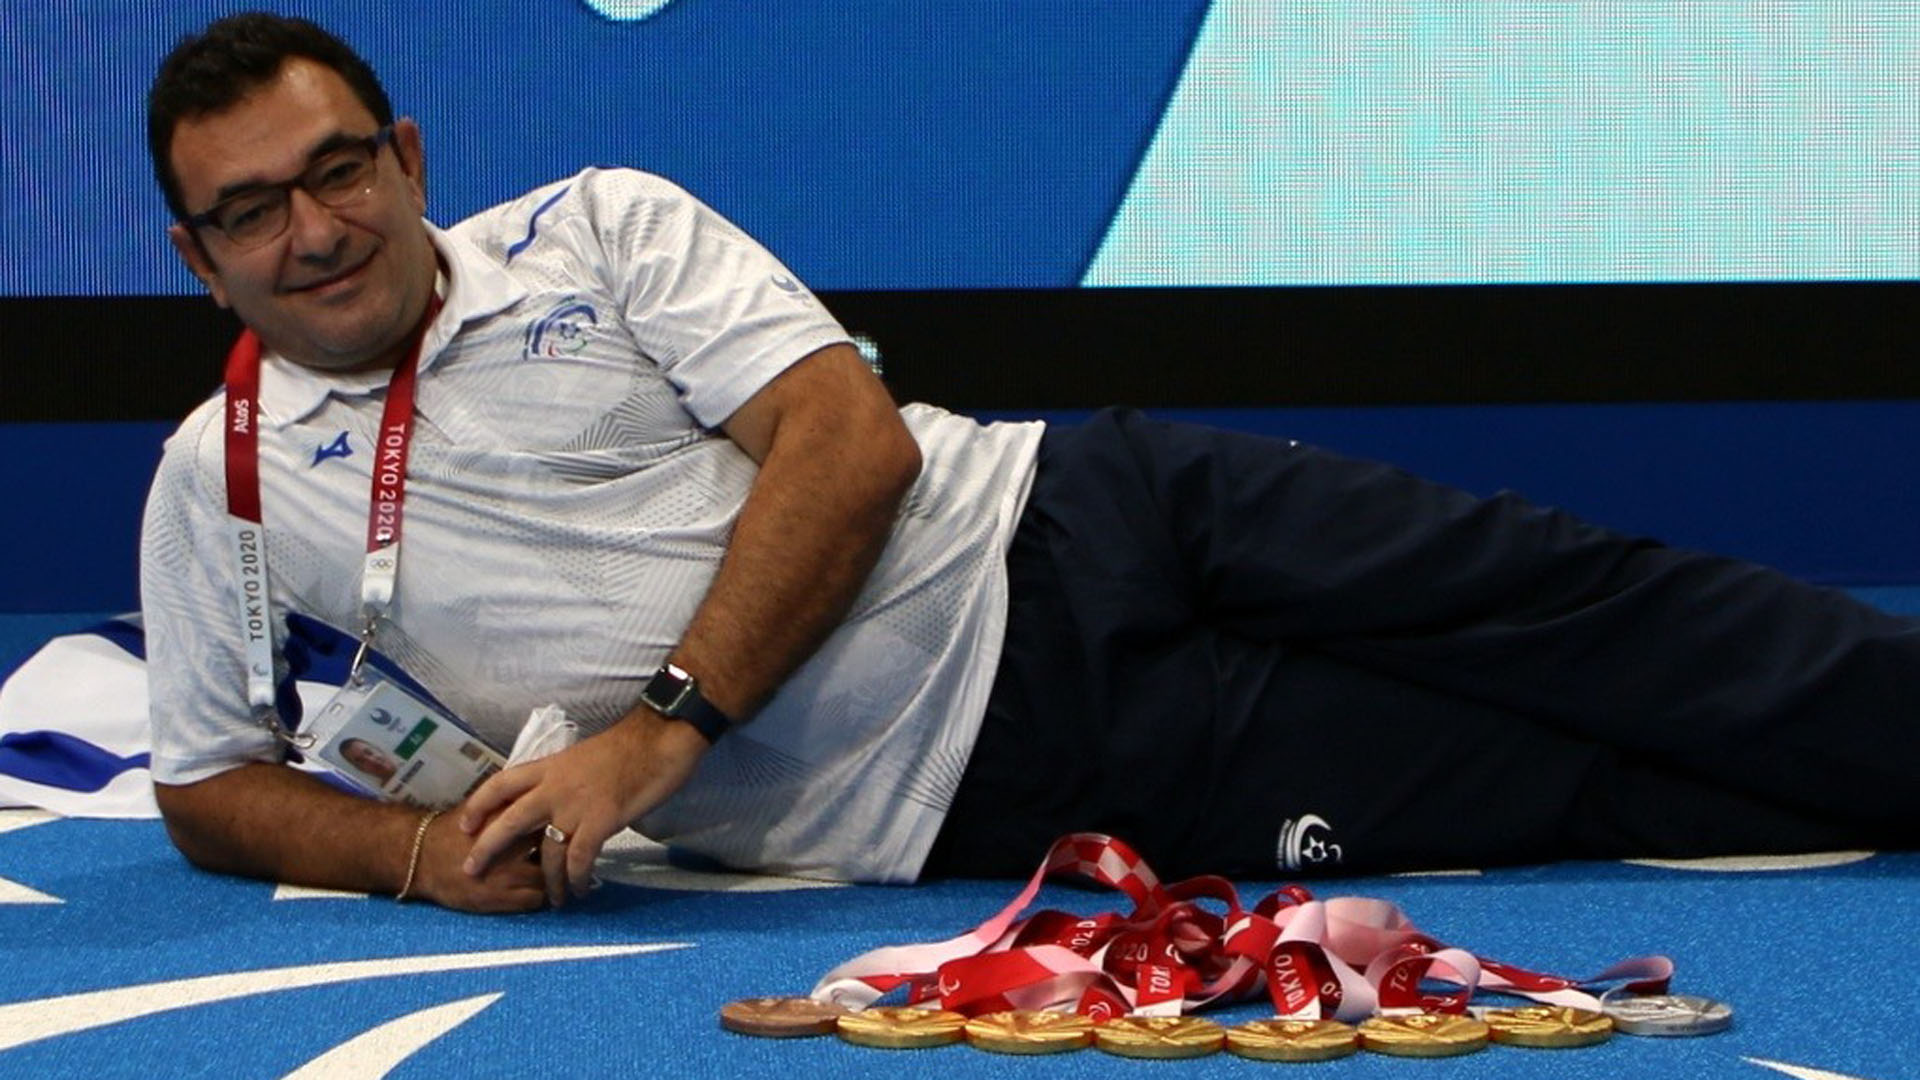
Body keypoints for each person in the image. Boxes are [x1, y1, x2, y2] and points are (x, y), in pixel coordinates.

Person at [140, 13, 1917, 915]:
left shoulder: (599, 225)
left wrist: (657, 731)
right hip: (989, 778)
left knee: (1606, 610)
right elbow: (210, 782)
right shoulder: (215, 482)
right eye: (251, 212)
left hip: (1087, 508)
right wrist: (419, 853)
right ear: (195, 259)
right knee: (1565, 792)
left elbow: (840, 439)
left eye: (341, 167)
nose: (316, 228)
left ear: (408, 151)